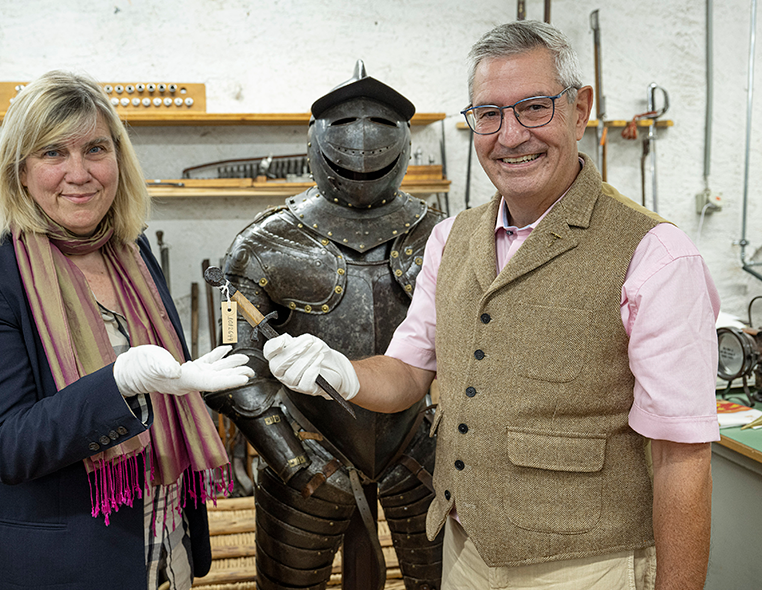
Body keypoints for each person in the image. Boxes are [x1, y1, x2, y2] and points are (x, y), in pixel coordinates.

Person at [263, 21, 720, 590]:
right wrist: (340, 372)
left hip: (588, 568)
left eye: (533, 108)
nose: (509, 136)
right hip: (464, 553)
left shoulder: (656, 254)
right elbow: (407, 370)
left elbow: (682, 457)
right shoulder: (450, 239)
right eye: (488, 115)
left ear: (580, 110)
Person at [0, 70, 253, 590]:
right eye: (53, 153)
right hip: (43, 559)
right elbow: (5, 445)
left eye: (96, 149)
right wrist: (117, 384)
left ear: (119, 158)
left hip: (158, 540)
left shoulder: (131, 252)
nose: (80, 173)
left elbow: (168, 397)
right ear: (19, 171)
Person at [208, 61, 446, 590]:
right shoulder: (263, 243)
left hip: (420, 450)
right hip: (308, 451)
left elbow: (476, 354)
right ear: (316, 145)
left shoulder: (444, 237)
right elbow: (234, 364)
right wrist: (294, 461)